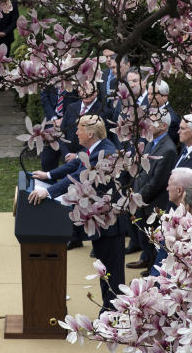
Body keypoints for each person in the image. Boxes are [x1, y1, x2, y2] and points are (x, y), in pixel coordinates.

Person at [29, 116, 124, 313]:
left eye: (79, 129)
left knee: (112, 273)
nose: (76, 133)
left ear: (90, 133)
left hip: (109, 223)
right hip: (100, 221)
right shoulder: (97, 147)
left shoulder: (105, 152)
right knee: (105, 269)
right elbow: (75, 166)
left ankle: (114, 314)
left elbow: (78, 178)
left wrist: (48, 192)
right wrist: (49, 176)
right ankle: (109, 311)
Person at [127, 109, 178, 272]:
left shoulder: (168, 149)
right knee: (145, 238)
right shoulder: (151, 142)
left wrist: (139, 198)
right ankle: (148, 262)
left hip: (152, 202)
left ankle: (152, 268)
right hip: (141, 197)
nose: (149, 123)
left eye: (153, 120)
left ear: (164, 126)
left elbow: (157, 181)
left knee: (152, 239)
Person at [146, 168, 192, 276]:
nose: (167, 188)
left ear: (179, 190)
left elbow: (159, 271)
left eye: (169, 185)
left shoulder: (174, 226)